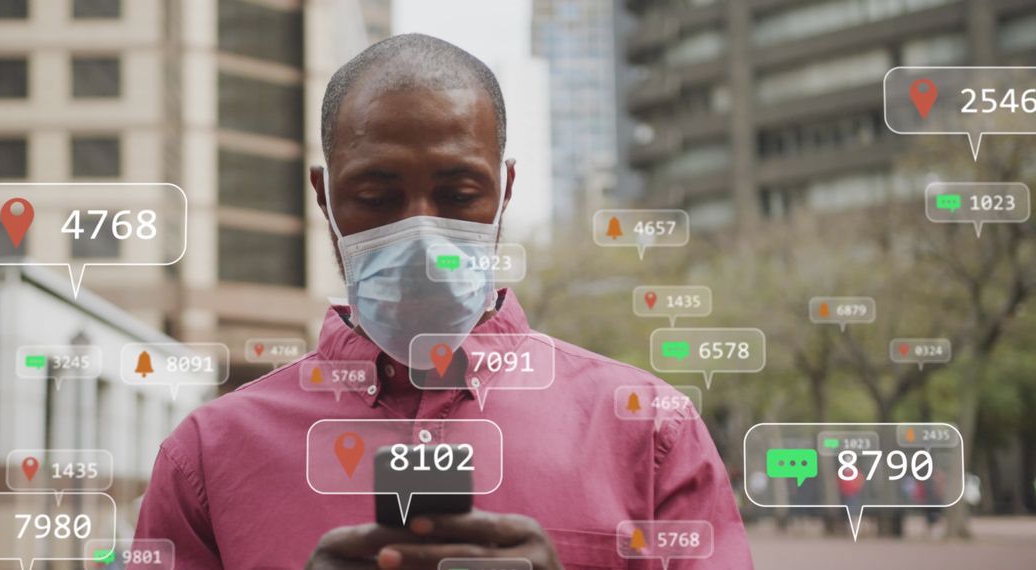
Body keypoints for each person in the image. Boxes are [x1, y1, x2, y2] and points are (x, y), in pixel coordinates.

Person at [134, 34, 751, 569]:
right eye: (376, 197)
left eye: (458, 194)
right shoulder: (208, 459)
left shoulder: (648, 433)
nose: (422, 237)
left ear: (503, 189)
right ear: (325, 195)